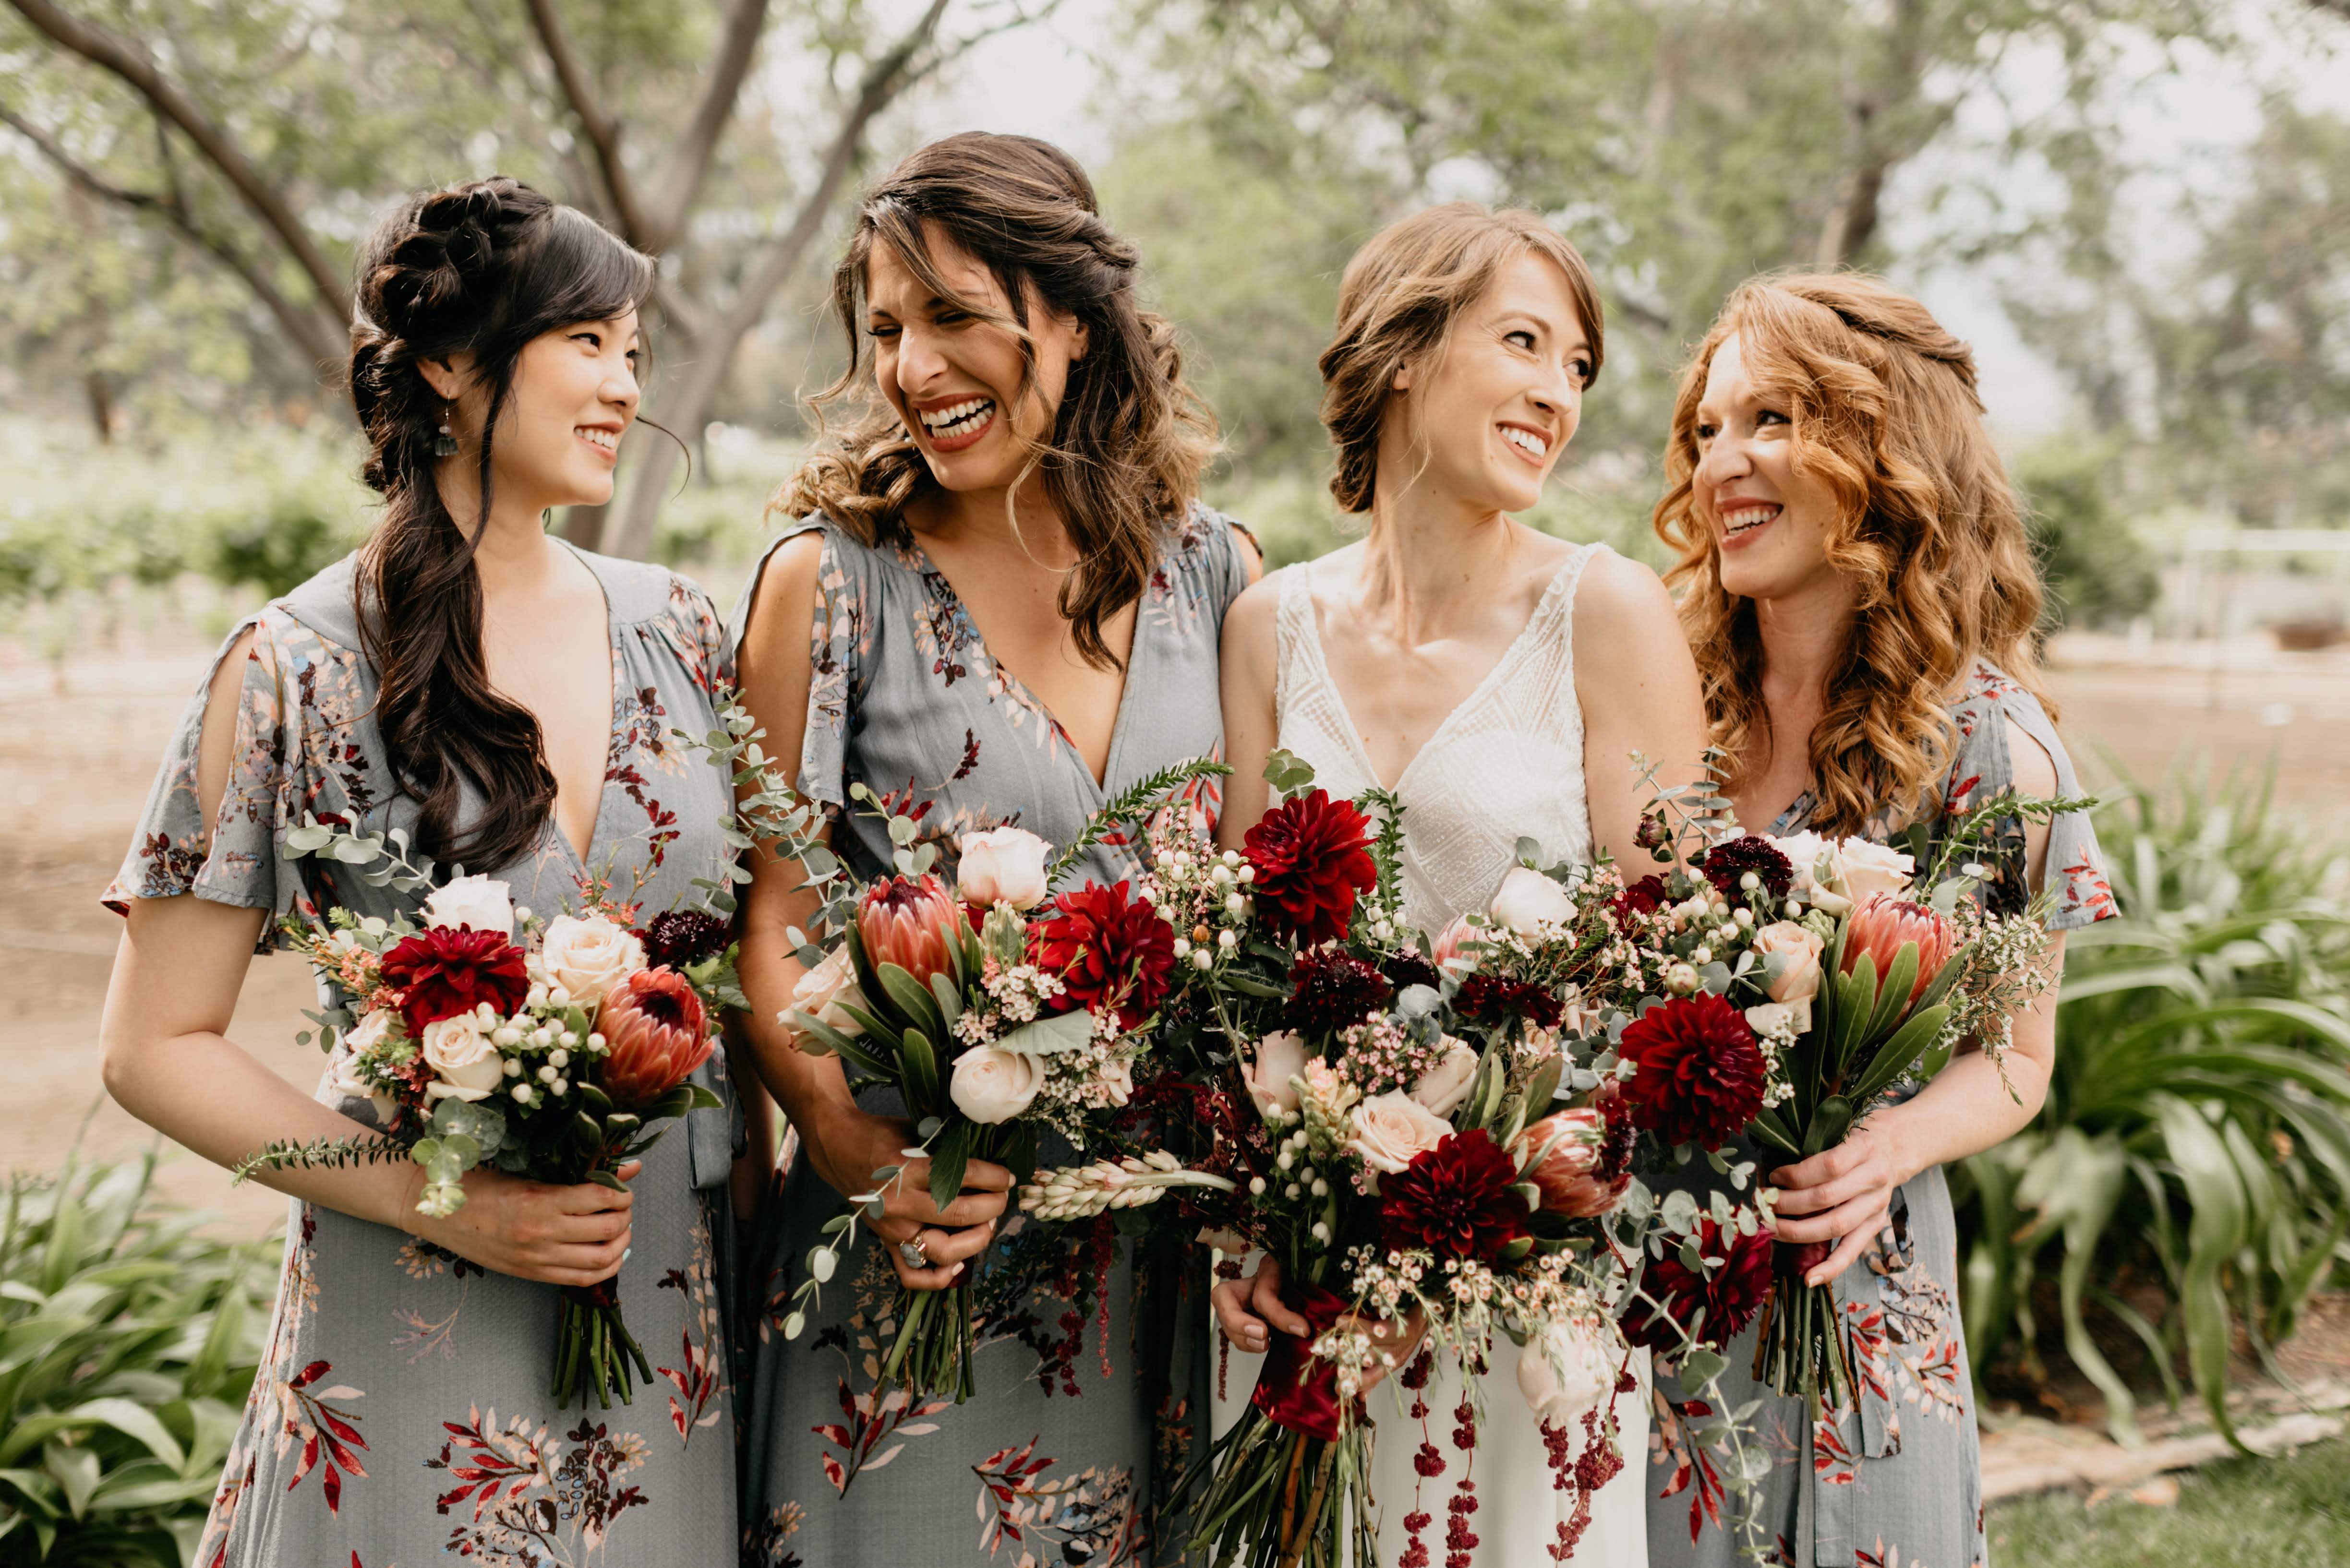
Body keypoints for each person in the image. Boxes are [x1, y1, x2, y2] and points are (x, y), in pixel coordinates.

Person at [97, 176, 745, 1565]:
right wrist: (436, 1196)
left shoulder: (689, 631)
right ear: (451, 361)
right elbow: (153, 1046)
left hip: (667, 1319)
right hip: (409, 1322)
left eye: (635, 350)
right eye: (586, 341)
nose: (625, 384)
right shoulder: (293, 666)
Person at [728, 131, 1260, 1568]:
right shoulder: (831, 582)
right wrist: (850, 1142)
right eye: (886, 329)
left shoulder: (1218, 574)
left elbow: (1261, 914)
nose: (914, 368)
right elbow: (769, 920)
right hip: (917, 1254)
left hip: (1160, 1261)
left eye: (955, 316)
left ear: (1075, 319)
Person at [1210, 201, 1710, 1567]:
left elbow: (1671, 975)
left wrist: (1456, 1238)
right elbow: (1247, 976)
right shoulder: (1266, 625)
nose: (1560, 393)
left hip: (1527, 1296)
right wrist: (1264, 1223)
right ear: (1404, 350)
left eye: (1579, 367)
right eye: (1525, 344)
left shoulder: (1606, 610)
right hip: (1312, 1280)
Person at [1642, 273, 2118, 1567]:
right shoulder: (1663, 705)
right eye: (1707, 429)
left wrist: (1886, 1145)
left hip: (1850, 1288)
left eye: (1773, 419)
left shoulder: (1991, 742)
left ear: (1886, 449)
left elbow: (2018, 1057)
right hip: (1649, 1299)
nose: (1722, 464)